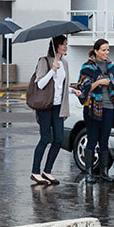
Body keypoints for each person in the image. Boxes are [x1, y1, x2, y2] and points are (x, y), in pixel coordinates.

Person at [73, 39, 114, 182]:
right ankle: (89, 173)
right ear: (96, 51)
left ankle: (104, 173)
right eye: (104, 50)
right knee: (92, 139)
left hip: (109, 107)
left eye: (108, 50)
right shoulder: (87, 67)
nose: (106, 53)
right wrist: (99, 82)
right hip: (93, 107)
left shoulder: (111, 66)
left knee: (104, 140)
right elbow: (83, 87)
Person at [30, 35, 70, 185]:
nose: (65, 47)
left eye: (66, 44)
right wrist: (52, 70)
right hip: (45, 106)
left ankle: (47, 171)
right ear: (56, 46)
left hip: (58, 106)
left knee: (59, 139)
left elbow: (61, 86)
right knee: (45, 138)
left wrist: (73, 91)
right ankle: (35, 172)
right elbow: (40, 84)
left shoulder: (64, 63)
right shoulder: (44, 61)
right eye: (63, 44)